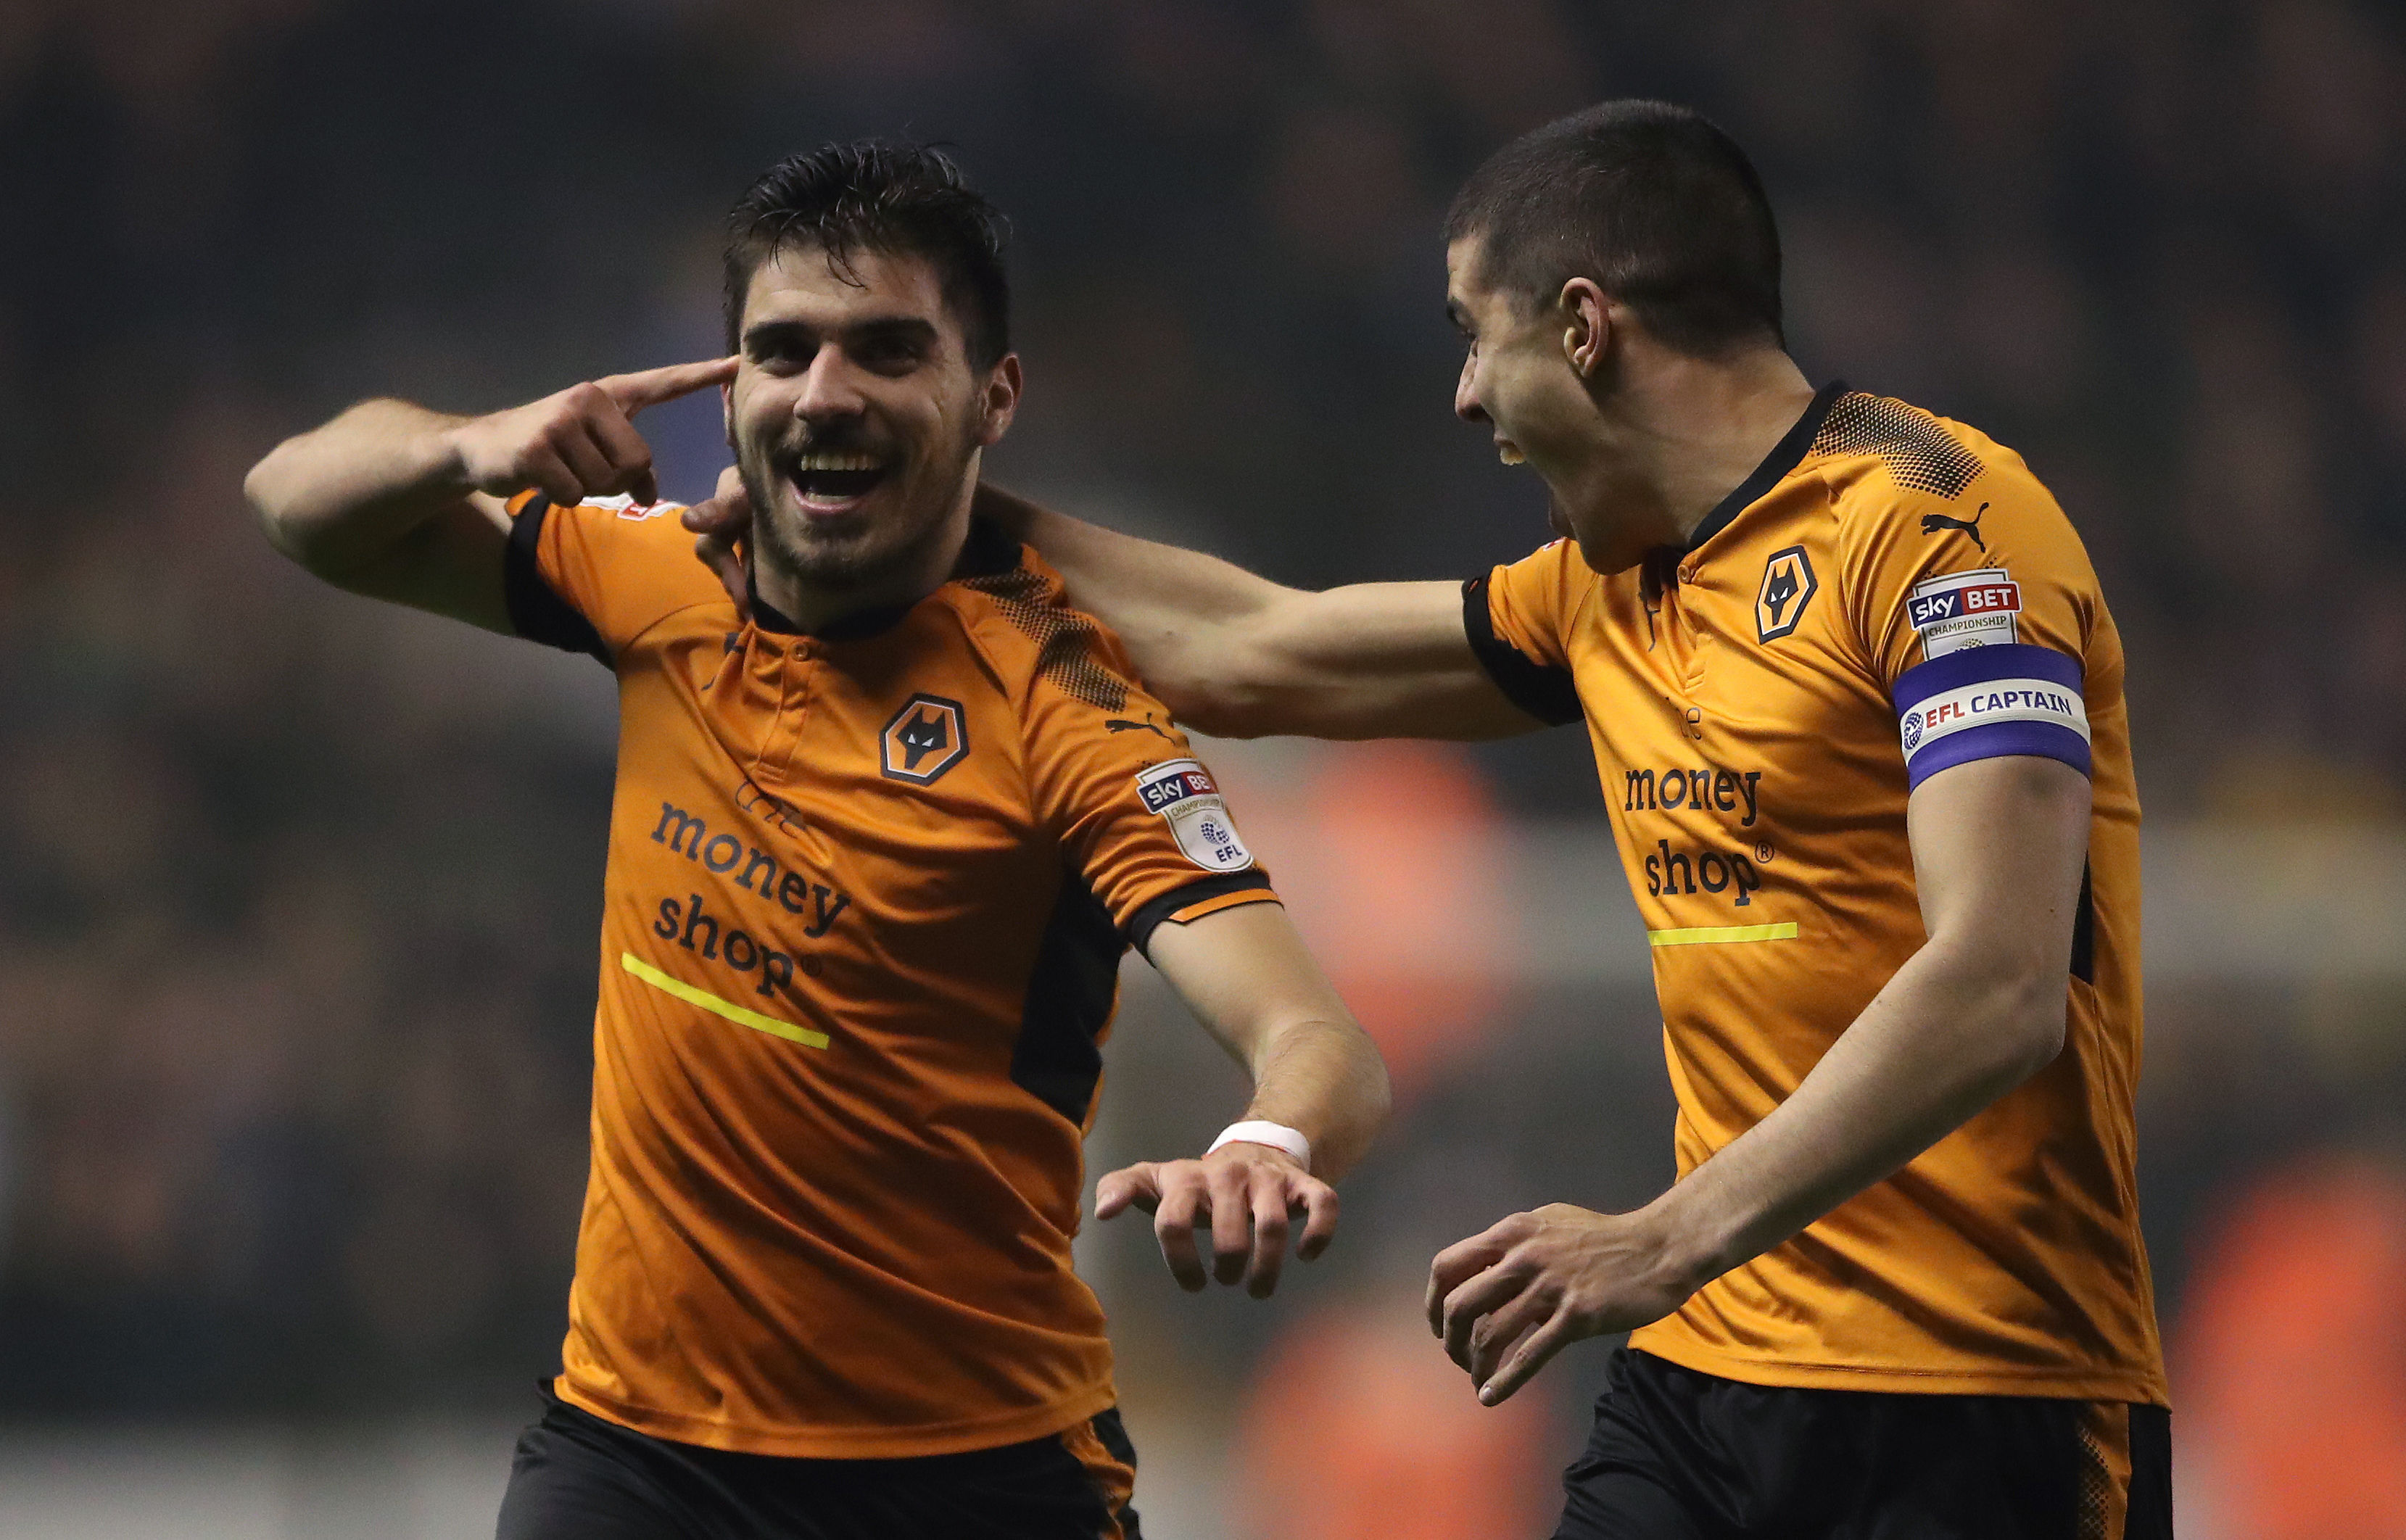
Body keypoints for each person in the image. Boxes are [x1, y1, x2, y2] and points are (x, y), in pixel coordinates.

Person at [691, 101, 2170, 1538]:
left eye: (1478, 334)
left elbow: (2001, 985)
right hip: (1708, 1376)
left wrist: (1662, 1235)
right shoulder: (1606, 588)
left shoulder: (1937, 525)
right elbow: (1256, 650)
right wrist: (922, 491)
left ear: (1585, 329)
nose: (1464, 395)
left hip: (1985, 1393)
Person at [244, 141, 1389, 1540]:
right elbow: (298, 506)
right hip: (636, 1455)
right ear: (729, 393)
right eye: (779, 353)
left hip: (975, 1472)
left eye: (888, 351)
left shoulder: (1063, 709)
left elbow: (1312, 1033)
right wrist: (468, 446)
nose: (826, 393)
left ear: (992, 400)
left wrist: (1265, 1141)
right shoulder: (650, 576)